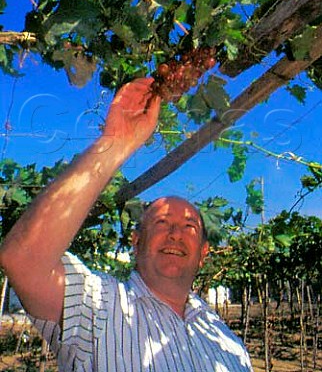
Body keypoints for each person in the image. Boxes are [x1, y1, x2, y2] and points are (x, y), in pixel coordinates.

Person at [0, 78, 253, 371]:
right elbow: (23, 258)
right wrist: (114, 143)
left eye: (189, 227)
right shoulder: (97, 307)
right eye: (161, 222)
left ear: (204, 253)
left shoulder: (228, 343)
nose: (175, 234)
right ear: (136, 242)